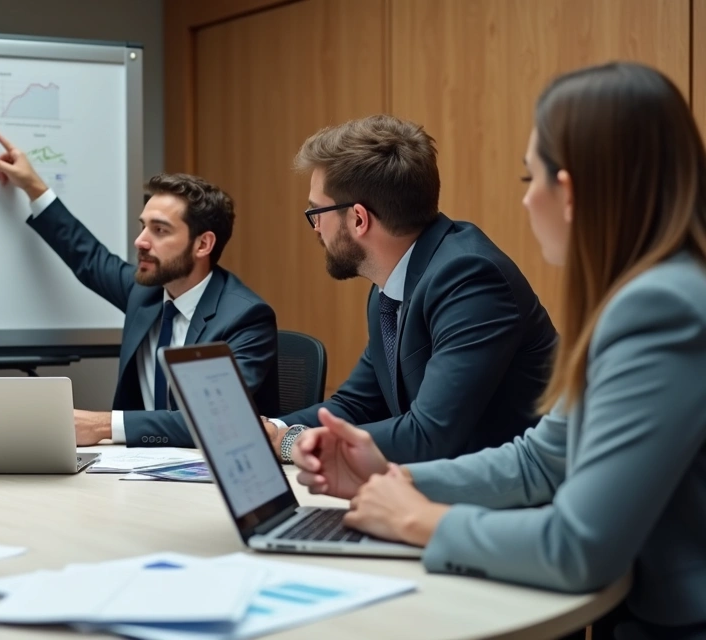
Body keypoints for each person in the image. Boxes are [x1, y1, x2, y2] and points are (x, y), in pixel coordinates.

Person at [293, 62, 706, 638]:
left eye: (529, 178)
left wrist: (420, 521)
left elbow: (577, 547)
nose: (527, 200)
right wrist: (387, 475)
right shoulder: (647, 293)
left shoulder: (661, 308)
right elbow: (540, 460)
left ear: (569, 192)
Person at [263, 115, 558, 464]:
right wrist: (268, 430)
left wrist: (293, 442)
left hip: (520, 491)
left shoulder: (470, 279)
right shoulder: (391, 286)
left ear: (358, 219)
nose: (316, 228)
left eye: (317, 212)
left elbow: (429, 435)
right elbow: (357, 404)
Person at [0, 132, 279, 448]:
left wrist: (103, 425)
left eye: (159, 230)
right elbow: (87, 257)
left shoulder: (245, 318)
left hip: (209, 469)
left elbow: (218, 419)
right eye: (143, 226)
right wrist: (33, 186)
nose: (140, 241)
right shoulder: (146, 293)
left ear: (202, 244)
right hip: (136, 466)